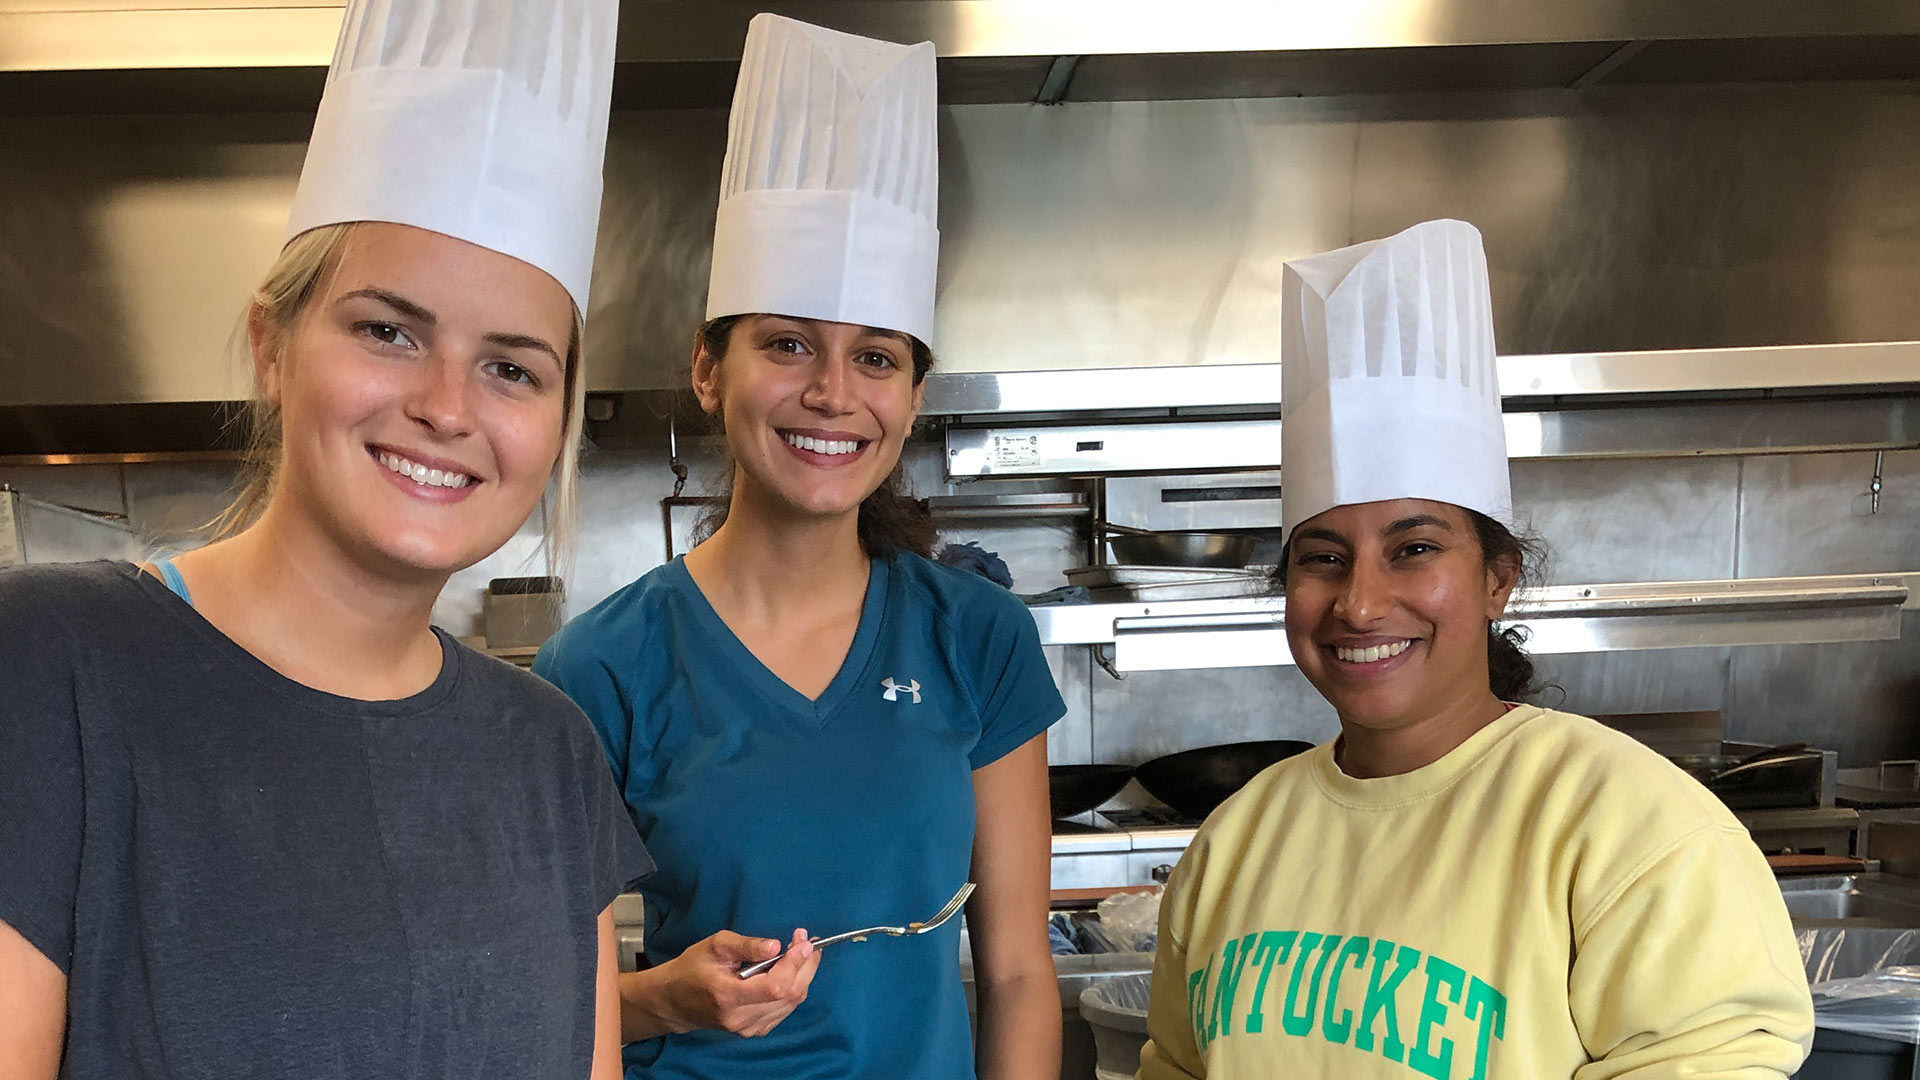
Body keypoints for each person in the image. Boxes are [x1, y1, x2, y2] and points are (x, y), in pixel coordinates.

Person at [0, 1, 651, 1076]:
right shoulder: (52, 666)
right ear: (273, 345)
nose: (448, 406)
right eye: (388, 330)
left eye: (512, 367)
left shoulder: (549, 754)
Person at [1136, 219, 1814, 1079]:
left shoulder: (1626, 823)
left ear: (1499, 578)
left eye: (1414, 549)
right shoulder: (1237, 841)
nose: (1360, 601)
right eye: (1322, 558)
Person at [534, 14, 1065, 1080]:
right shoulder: (602, 667)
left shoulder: (978, 638)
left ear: (913, 397)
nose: (832, 393)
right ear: (706, 368)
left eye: (875, 357)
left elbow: (1013, 971)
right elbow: (558, 1001)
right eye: (786, 344)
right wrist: (660, 998)